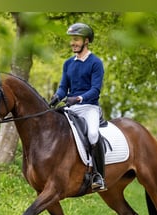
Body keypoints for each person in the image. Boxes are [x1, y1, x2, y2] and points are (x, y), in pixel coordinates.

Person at [49, 22, 106, 192]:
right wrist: (57, 96)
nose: (72, 43)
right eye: (72, 39)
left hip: (89, 108)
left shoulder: (96, 63)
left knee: (93, 134)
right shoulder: (68, 63)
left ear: (86, 41)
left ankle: (98, 175)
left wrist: (79, 98)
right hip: (71, 107)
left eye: (76, 39)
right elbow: (63, 86)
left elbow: (95, 90)